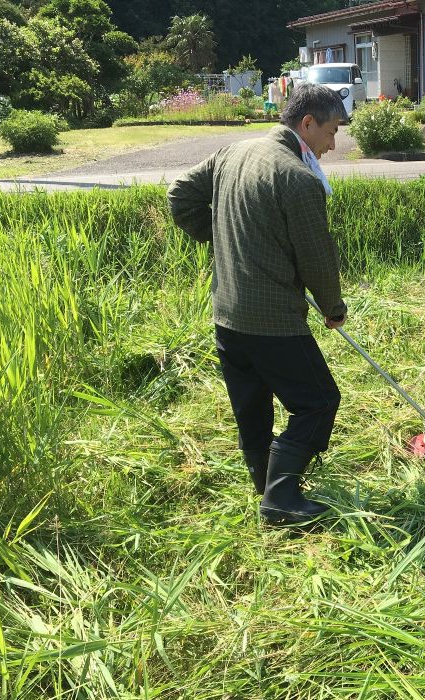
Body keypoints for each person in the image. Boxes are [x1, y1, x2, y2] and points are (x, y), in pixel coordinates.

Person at [167, 83, 348, 527]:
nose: (332, 144)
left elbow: (179, 192)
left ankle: (262, 480)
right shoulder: (297, 178)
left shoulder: (233, 152)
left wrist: (219, 236)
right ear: (308, 123)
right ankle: (281, 497)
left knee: (252, 403)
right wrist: (333, 307)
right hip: (272, 322)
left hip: (227, 315)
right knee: (318, 401)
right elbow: (317, 257)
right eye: (332, 132)